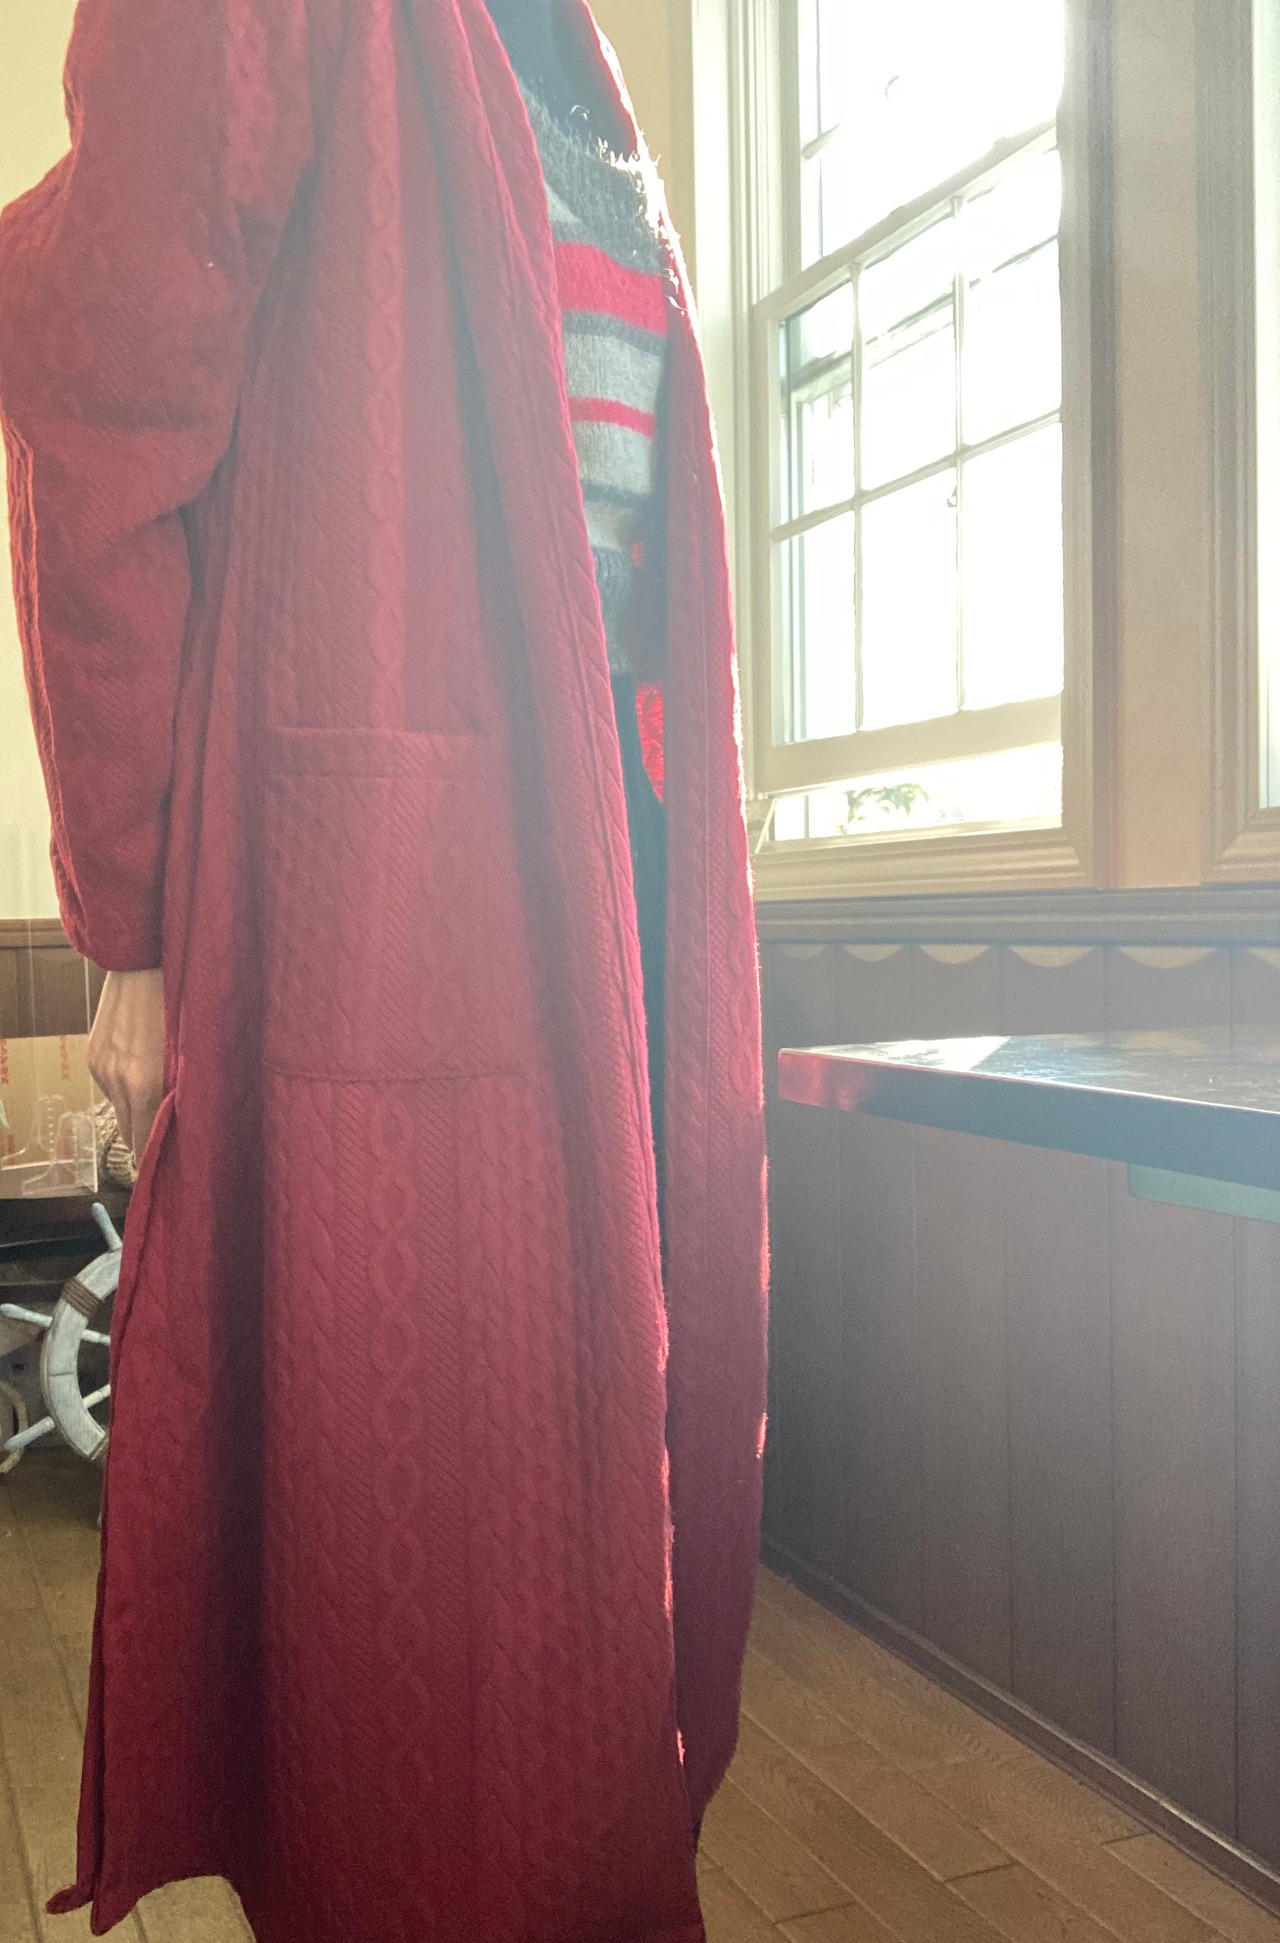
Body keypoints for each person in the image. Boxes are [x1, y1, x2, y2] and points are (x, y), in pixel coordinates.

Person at [0, 2, 768, 1939]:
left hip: (622, 879)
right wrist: (133, 924)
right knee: (426, 1620)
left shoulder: (565, 48)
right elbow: (97, 406)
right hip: (391, 901)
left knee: (603, 1560)